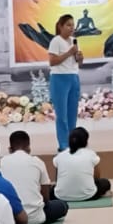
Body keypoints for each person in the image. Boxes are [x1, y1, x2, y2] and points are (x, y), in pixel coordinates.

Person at [0, 130, 67, 224]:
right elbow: (46, 198)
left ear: (10, 149)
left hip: (11, 220)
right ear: (29, 148)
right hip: (36, 217)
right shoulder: (37, 162)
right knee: (62, 205)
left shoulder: (1, 163)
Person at [46, 14, 83, 150]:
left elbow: (79, 63)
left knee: (72, 114)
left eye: (73, 25)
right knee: (62, 115)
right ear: (60, 26)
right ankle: (63, 144)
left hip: (73, 77)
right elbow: (52, 61)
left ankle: (73, 142)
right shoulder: (56, 41)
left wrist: (79, 57)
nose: (71, 28)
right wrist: (69, 53)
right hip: (59, 78)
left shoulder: (74, 41)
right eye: (68, 25)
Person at [52, 126, 112, 202]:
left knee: (51, 188)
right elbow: (97, 177)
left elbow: (57, 179)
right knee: (105, 183)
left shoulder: (60, 155)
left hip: (61, 196)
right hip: (88, 195)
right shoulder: (91, 154)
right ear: (86, 142)